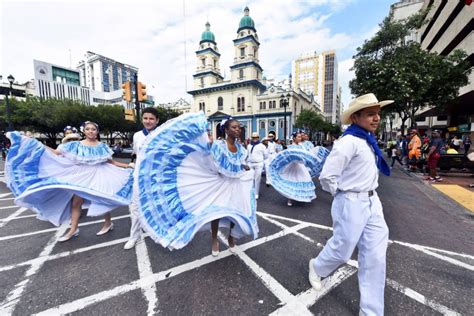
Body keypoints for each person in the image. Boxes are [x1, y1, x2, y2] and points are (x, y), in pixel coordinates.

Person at [309, 93, 392, 316]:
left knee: (375, 257)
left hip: (373, 201)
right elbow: (327, 177)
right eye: (370, 114)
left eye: (378, 114)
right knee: (342, 251)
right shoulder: (348, 142)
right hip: (351, 201)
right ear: (355, 118)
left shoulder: (367, 140)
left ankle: (371, 312)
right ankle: (317, 267)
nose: (376, 119)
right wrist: (344, 195)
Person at [135, 113, 258, 254]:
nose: (238, 130)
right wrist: (239, 168)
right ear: (226, 129)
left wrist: (244, 168)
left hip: (235, 185)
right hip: (219, 184)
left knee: (236, 211)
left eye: (239, 128)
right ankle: (214, 240)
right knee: (215, 214)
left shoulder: (242, 149)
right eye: (234, 127)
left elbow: (239, 164)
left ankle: (231, 237)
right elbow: (218, 165)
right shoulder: (219, 145)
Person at [5, 121, 134, 242]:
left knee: (103, 199)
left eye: (93, 129)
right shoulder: (74, 145)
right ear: (84, 131)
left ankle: (107, 223)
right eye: (88, 129)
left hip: (100, 175)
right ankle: (73, 229)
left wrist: (127, 165)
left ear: (97, 131)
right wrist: (37, 144)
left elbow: (110, 162)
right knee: (76, 204)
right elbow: (56, 153)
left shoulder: (102, 146)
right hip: (82, 177)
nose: (91, 131)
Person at [123, 107, 160, 250]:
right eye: (145, 118)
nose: (148, 121)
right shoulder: (137, 135)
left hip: (156, 177)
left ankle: (160, 232)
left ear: (157, 121)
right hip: (139, 175)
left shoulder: (162, 135)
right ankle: (134, 236)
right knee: (135, 206)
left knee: (158, 205)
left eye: (151, 119)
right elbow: (136, 154)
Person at [269, 131, 328, 207]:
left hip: (301, 166)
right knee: (292, 181)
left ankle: (300, 197)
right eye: (298, 137)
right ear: (294, 138)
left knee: (305, 180)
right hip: (293, 166)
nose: (300, 138)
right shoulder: (291, 147)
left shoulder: (302, 145)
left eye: (300, 137)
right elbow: (288, 157)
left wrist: (316, 152)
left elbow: (307, 153)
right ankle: (290, 198)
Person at [246, 132, 268, 200]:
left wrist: (260, 161)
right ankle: (251, 192)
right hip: (250, 163)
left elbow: (266, 156)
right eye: (253, 137)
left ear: (258, 138)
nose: (254, 139)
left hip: (259, 163)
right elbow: (247, 154)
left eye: (256, 137)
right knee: (250, 178)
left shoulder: (262, 146)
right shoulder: (249, 145)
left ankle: (256, 193)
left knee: (257, 178)